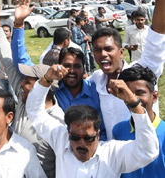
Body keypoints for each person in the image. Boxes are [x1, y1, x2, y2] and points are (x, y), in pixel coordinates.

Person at [26, 64, 159, 177]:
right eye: (75, 137)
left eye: (88, 138)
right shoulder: (60, 139)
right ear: (68, 133)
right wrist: (46, 79)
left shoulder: (113, 154)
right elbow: (34, 111)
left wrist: (134, 104)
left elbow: (148, 151)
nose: (81, 143)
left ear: (98, 134)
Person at [0, 0, 64, 178]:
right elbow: (7, 59)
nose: (21, 84)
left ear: (44, 86)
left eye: (28, 81)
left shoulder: (58, 121)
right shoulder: (24, 101)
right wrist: (1, 24)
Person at [89, 0, 165, 139]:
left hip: (148, 156)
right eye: (97, 50)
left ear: (121, 51)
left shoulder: (142, 72)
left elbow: (158, 35)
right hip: (118, 162)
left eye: (108, 49)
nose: (103, 55)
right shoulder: (95, 81)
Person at [113, 66, 165, 177]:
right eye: (129, 94)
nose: (134, 99)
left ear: (154, 96)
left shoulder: (163, 134)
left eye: (140, 93)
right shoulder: (118, 130)